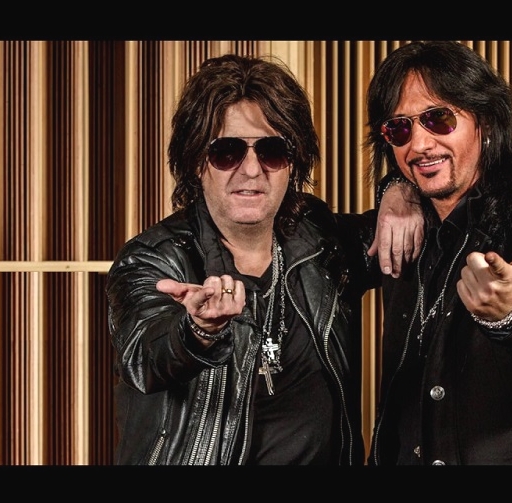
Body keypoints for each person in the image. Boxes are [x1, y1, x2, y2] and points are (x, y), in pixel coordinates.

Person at [106, 53, 422, 465]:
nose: (252, 170)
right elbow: (143, 358)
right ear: (196, 162)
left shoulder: (325, 245)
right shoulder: (154, 259)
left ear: (293, 162)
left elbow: (431, 221)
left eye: (272, 151)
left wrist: (400, 189)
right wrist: (197, 331)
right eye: (227, 152)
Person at [365, 40, 512, 465]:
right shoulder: (400, 229)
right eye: (399, 129)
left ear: (486, 121)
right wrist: (393, 188)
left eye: (438, 119)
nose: (419, 145)